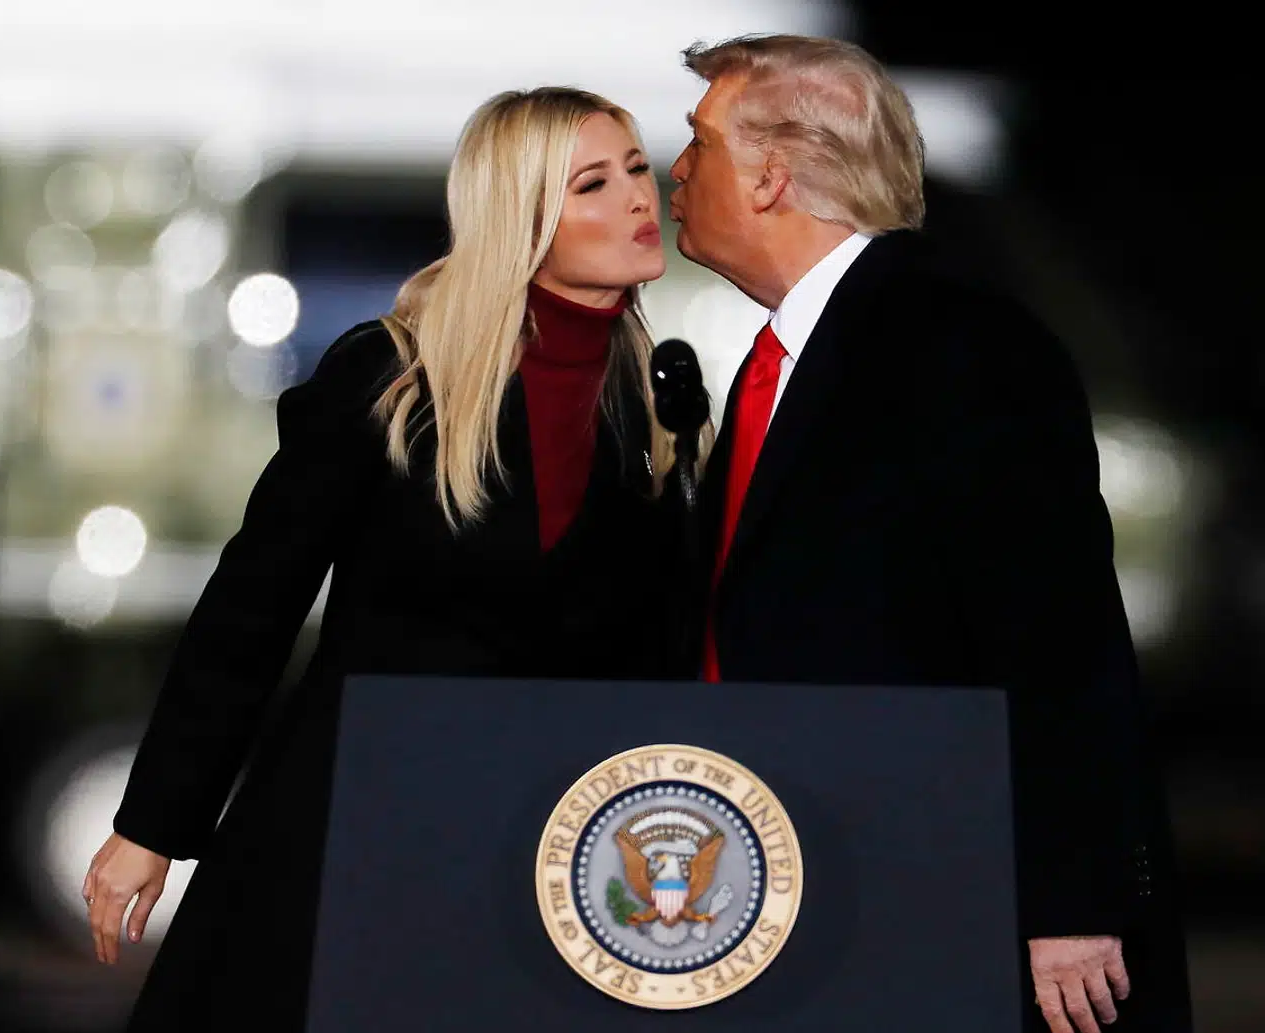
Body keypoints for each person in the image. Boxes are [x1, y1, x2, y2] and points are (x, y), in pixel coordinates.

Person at [82, 86, 682, 1031]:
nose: (641, 198)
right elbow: (253, 605)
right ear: (519, 217)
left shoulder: (654, 403)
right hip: (361, 822)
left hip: (543, 853)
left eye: (639, 169)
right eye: (593, 184)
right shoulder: (394, 373)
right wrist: (152, 824)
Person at [668, 34, 1192, 1033]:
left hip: (940, 891)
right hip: (806, 880)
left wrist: (1070, 900)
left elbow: (1057, 632)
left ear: (772, 176)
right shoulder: (787, 360)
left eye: (700, 142)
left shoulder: (965, 348)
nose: (679, 169)